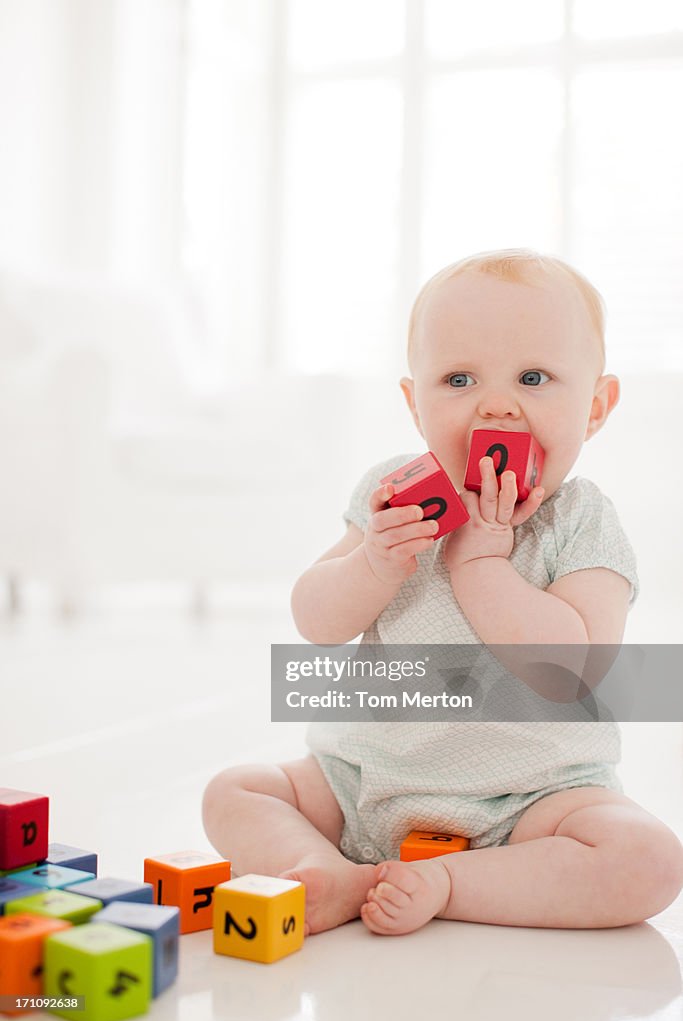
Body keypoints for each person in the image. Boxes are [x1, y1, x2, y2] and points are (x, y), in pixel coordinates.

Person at [203, 249, 683, 935]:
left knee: (645, 860)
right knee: (237, 792)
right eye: (458, 378)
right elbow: (315, 620)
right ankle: (328, 871)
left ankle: (449, 882)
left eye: (533, 377)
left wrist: (481, 564)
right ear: (413, 403)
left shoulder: (579, 520)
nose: (495, 404)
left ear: (596, 407)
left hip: (532, 801)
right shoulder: (393, 496)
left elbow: (574, 667)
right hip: (360, 783)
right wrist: (372, 563)